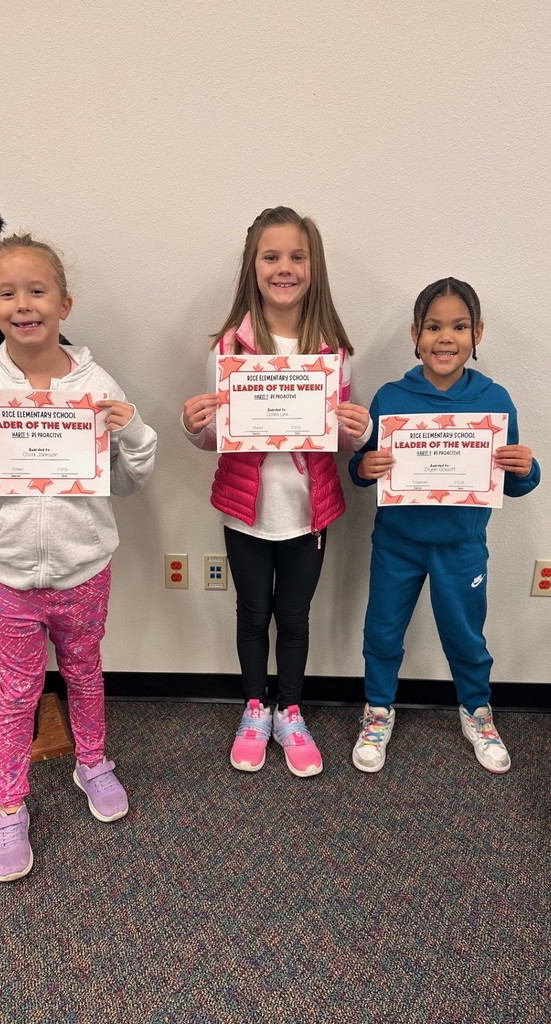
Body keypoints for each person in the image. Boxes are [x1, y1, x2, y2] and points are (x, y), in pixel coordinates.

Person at [0, 234, 157, 881]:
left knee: (84, 671)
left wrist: (131, 431)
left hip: (84, 570)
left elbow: (130, 480)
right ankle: (9, 805)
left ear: (64, 303)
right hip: (11, 576)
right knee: (17, 692)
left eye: (37, 290)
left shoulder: (95, 385)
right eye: (9, 293)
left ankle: (93, 762)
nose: (24, 304)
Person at [182, 206, 372, 777]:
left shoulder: (331, 349)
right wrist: (197, 428)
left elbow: (335, 439)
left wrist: (354, 433)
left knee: (294, 617)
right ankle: (254, 707)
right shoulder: (228, 348)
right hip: (246, 513)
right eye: (272, 257)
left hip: (307, 513)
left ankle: (290, 708)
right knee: (250, 613)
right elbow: (218, 438)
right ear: (253, 266)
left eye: (296, 256)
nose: (284, 268)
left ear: (313, 267)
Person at [349, 277, 540, 776]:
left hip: (462, 545)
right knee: (383, 631)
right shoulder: (391, 398)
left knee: (465, 635)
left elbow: (513, 483)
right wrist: (362, 468)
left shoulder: (494, 399)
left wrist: (526, 468)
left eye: (458, 326)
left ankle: (476, 711)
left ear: (477, 333)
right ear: (416, 332)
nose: (445, 338)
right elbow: (365, 468)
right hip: (397, 543)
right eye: (433, 326)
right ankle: (377, 710)